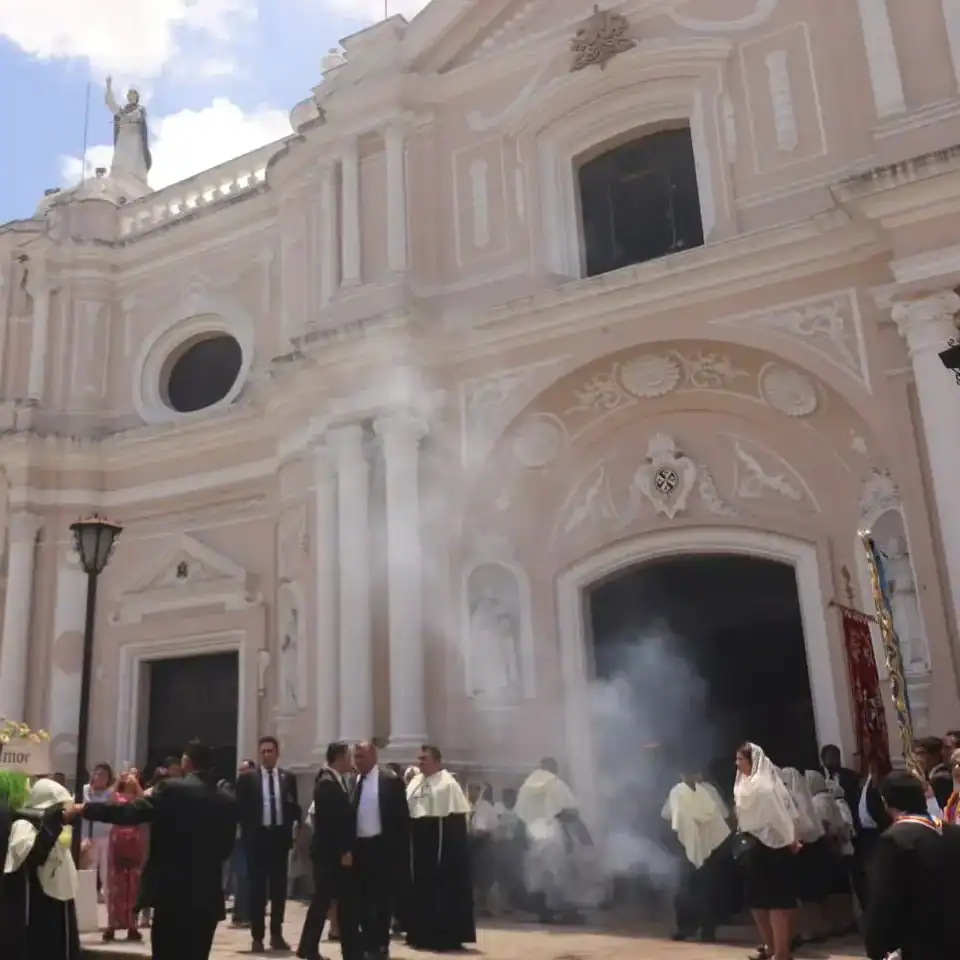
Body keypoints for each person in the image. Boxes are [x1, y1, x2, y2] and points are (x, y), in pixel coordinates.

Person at [77, 740, 238, 960]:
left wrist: (86, 809)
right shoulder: (226, 800)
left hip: (171, 894)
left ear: (186, 762)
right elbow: (226, 849)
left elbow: (131, 812)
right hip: (205, 897)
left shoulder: (171, 789)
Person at [863, 771, 959, 960]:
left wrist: (877, 947)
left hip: (921, 943)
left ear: (886, 802)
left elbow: (884, 900)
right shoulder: (954, 833)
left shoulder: (894, 840)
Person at [404, 745, 476, 951]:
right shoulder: (416, 782)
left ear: (437, 761)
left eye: (424, 758)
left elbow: (451, 820)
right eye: (419, 758)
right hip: (417, 846)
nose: (420, 762)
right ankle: (419, 933)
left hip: (439, 848)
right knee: (418, 890)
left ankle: (443, 936)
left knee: (440, 891)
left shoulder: (447, 784)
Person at [1, 776, 80, 960]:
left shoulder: (57, 826)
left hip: (60, 898)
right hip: (39, 901)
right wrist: (51, 826)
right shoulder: (24, 825)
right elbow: (32, 856)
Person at [733, 743, 800, 960]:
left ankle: (782, 952)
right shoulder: (743, 784)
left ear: (753, 762)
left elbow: (781, 816)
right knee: (757, 902)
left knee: (777, 903)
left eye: (740, 759)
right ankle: (769, 946)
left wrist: (790, 838)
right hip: (754, 847)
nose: (737, 764)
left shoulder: (765, 786)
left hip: (774, 847)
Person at [236, 735, 302, 952]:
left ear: (277, 753)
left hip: (279, 840)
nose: (266, 755)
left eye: (270, 751)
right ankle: (257, 936)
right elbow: (240, 808)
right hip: (257, 839)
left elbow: (293, 806)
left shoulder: (288, 778)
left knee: (279, 889)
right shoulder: (248, 779)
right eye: (263, 751)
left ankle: (276, 933)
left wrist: (294, 828)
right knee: (257, 890)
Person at [515, 756, 595, 924]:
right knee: (559, 873)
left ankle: (544, 913)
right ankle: (566, 912)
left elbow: (519, 815)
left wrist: (520, 839)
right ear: (553, 769)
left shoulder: (526, 786)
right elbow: (569, 811)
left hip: (532, 834)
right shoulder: (555, 783)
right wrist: (583, 834)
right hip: (552, 832)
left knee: (537, 875)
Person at [297, 741, 358, 960]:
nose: (351, 761)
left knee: (324, 902)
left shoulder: (335, 780)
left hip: (331, 854)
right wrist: (344, 850)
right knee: (324, 902)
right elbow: (333, 822)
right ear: (340, 757)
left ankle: (309, 947)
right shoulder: (326, 783)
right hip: (330, 855)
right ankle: (310, 948)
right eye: (349, 756)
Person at [351, 741, 410, 960]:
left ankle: (381, 944)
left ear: (374, 756)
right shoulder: (352, 782)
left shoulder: (390, 781)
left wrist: (400, 853)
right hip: (359, 849)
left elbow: (402, 820)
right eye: (356, 756)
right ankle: (367, 942)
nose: (358, 761)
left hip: (382, 848)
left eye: (362, 756)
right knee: (362, 899)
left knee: (382, 900)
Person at [661, 770, 731, 943]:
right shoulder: (677, 792)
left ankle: (708, 929)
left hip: (710, 847)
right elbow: (669, 817)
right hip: (686, 847)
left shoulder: (709, 791)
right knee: (685, 890)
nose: (690, 777)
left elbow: (723, 817)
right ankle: (685, 928)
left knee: (707, 890)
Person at [805, 770, 856, 936]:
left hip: (829, 850)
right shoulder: (827, 799)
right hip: (836, 850)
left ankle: (837, 923)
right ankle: (843, 922)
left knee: (834, 890)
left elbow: (826, 827)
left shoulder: (819, 802)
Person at [103, 770, 148, 943]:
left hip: (135, 839)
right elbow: (108, 801)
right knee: (115, 883)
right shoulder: (117, 796)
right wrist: (117, 782)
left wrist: (136, 783)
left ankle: (132, 925)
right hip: (118, 839)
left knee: (134, 883)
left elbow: (145, 800)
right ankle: (112, 925)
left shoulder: (138, 798)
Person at [82, 762, 115, 902]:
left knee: (105, 868)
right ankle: (89, 897)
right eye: (99, 774)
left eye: (105, 775)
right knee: (91, 866)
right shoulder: (86, 789)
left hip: (106, 835)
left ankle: (107, 898)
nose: (101, 778)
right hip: (90, 834)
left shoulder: (110, 793)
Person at [467, 782, 498, 917]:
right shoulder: (462, 805)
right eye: (469, 789)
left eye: (474, 789)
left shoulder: (486, 807)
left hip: (482, 843)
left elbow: (492, 826)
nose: (471, 792)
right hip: (466, 842)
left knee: (483, 875)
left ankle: (482, 905)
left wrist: (480, 834)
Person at [913, 735, 953, 809]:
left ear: (935, 755)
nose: (916, 759)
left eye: (921, 754)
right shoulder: (930, 777)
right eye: (916, 754)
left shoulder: (942, 779)